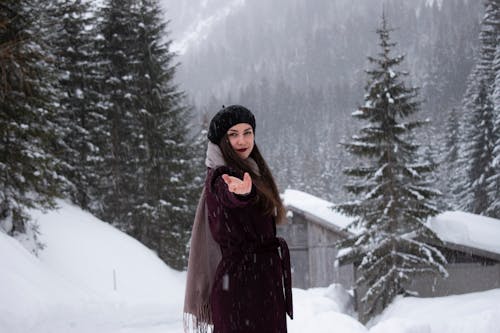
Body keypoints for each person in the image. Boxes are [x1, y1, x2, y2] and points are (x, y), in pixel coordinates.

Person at [183, 105, 293, 333]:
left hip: (263, 281)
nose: (242, 140)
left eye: (247, 132)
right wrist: (242, 193)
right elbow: (228, 193)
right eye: (233, 134)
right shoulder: (220, 175)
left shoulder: (253, 170)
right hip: (239, 285)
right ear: (221, 140)